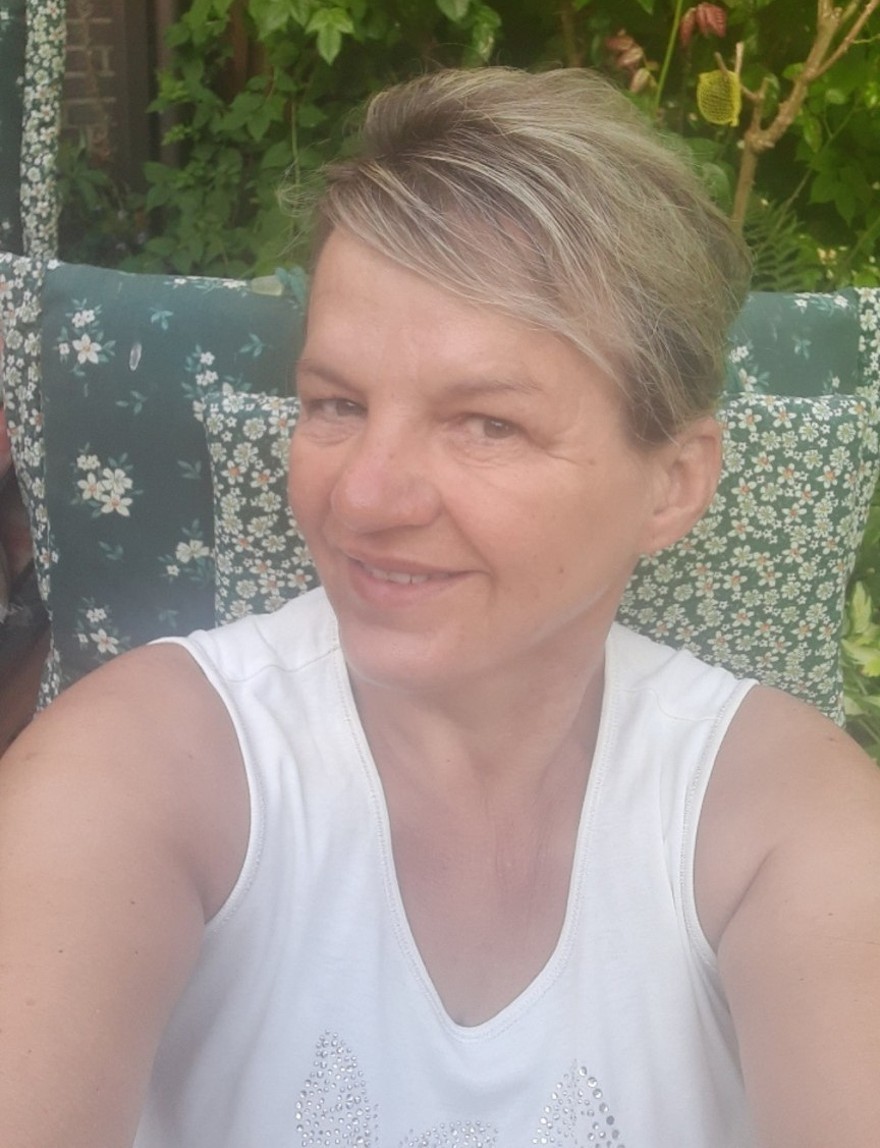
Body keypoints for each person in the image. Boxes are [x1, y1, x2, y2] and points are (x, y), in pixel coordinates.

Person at [2, 67, 880, 1148]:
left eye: (485, 424)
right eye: (336, 403)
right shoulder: (133, 768)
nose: (363, 498)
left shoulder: (781, 822)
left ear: (672, 484)